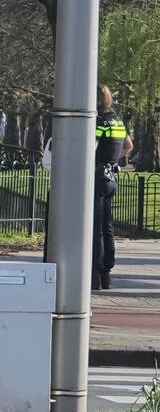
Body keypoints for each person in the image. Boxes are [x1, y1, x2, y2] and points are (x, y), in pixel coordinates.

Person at [93, 85, 133, 290]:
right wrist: (113, 161)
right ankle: (106, 271)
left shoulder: (98, 122)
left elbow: (91, 146)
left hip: (97, 177)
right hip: (111, 177)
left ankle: (95, 272)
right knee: (107, 228)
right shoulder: (118, 121)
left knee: (96, 228)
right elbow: (128, 145)